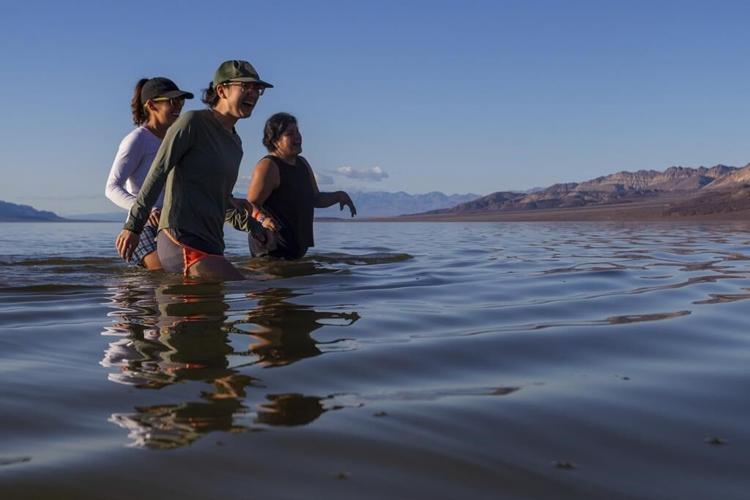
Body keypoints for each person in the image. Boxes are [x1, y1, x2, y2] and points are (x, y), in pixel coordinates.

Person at [116, 60, 274, 281]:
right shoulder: (192, 123)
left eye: (257, 89)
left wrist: (253, 227)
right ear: (222, 90)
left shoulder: (235, 144)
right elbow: (158, 173)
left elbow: (221, 199)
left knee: (220, 310)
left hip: (212, 243)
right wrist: (133, 227)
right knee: (255, 288)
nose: (253, 94)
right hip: (181, 239)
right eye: (245, 87)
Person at [234, 112, 356, 260]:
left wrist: (338, 196)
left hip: (295, 251)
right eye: (290, 133)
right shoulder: (269, 166)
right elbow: (251, 204)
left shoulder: (302, 164)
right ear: (275, 141)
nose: (297, 136)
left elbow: (315, 199)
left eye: (297, 131)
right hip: (270, 252)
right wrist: (262, 219)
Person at [105, 77, 193, 269]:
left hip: (172, 223)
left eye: (181, 102)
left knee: (187, 273)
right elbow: (111, 188)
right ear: (151, 105)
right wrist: (148, 210)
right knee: (163, 274)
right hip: (143, 225)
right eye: (172, 102)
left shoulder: (177, 140)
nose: (178, 107)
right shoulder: (137, 140)